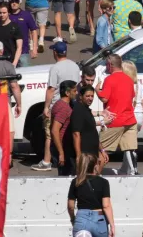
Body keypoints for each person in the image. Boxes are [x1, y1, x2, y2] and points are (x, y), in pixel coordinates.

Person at [33, 40, 80, 171]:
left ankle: (47, 161)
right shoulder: (75, 66)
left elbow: (51, 89)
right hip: (71, 105)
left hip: (57, 105)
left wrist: (46, 107)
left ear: (55, 53)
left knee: (50, 133)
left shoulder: (55, 68)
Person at [99, 62, 138, 175]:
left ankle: (94, 174)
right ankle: (132, 171)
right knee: (130, 148)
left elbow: (105, 98)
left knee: (100, 148)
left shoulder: (110, 79)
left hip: (114, 120)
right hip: (130, 119)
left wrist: (97, 91)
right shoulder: (131, 82)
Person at [67, 153, 115, 237]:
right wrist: (112, 225)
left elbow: (71, 206)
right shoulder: (103, 182)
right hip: (99, 219)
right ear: (95, 165)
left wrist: (73, 219)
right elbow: (106, 206)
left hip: (81, 219)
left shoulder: (76, 182)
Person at [71, 85, 104, 169]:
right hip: (85, 155)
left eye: (92, 96)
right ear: (81, 97)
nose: (90, 98)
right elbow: (76, 134)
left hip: (93, 154)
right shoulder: (78, 110)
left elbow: (93, 132)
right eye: (87, 96)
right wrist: (79, 156)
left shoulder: (87, 110)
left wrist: (102, 150)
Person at [51, 80, 78, 176]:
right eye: (74, 91)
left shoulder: (63, 104)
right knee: (66, 178)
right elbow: (55, 130)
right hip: (63, 148)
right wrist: (61, 153)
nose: (77, 93)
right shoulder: (63, 108)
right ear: (67, 93)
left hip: (65, 147)